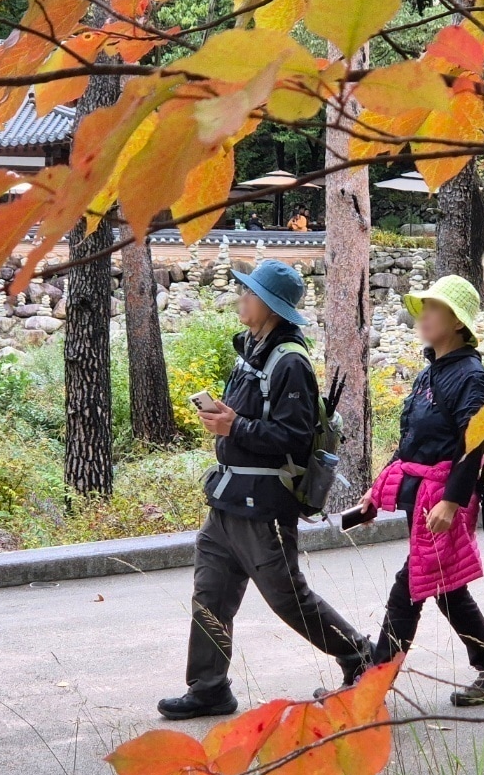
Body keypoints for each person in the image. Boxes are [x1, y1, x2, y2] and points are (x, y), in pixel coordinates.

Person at [159, 259, 373, 720]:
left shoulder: (290, 362)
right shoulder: (253, 351)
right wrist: (227, 419)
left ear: (271, 306)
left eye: (250, 292)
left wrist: (234, 425)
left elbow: (293, 438)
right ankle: (209, 688)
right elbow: (253, 420)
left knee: (287, 597)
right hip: (227, 500)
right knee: (210, 593)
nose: (242, 298)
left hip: (264, 506)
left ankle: (361, 656)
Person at [357, 274, 484, 706]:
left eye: (434, 309)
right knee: (446, 589)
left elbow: (473, 443)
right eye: (423, 308)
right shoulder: (431, 374)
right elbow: (411, 442)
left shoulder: (471, 377)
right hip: (425, 498)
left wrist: (451, 500)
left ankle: (369, 689)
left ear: (458, 322)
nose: (423, 316)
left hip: (442, 501)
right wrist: (376, 489)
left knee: (409, 589)